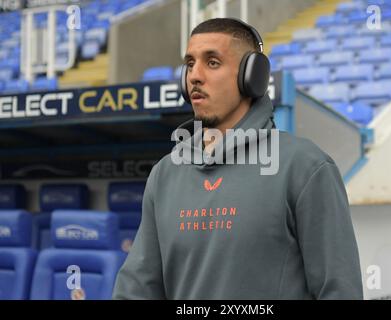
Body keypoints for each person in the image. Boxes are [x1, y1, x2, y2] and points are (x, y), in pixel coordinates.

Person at [113, 18, 363, 300]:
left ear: (251, 77)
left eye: (212, 62)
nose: (194, 75)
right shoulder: (165, 174)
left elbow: (340, 291)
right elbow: (136, 290)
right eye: (190, 63)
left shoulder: (305, 167)